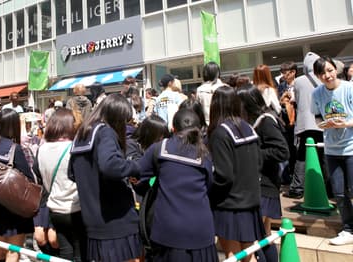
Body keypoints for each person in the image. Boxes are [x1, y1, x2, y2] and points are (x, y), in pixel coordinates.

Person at [69, 94, 142, 261]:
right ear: (117, 116)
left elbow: (71, 173)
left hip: (92, 219)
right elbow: (110, 166)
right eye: (124, 120)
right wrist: (135, 168)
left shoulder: (82, 133)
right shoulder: (105, 131)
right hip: (116, 219)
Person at [138, 109, 218, 261]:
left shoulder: (160, 148)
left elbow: (138, 174)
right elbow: (209, 186)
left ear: (173, 129)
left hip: (168, 233)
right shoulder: (204, 154)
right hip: (202, 232)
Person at [208, 85, 264, 262]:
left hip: (229, 204)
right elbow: (259, 162)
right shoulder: (248, 127)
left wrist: (210, 192)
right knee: (249, 255)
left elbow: (224, 175)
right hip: (251, 200)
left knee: (232, 255)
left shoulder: (220, 133)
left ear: (215, 106)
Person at [237, 84, 290, 262]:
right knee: (264, 234)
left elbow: (282, 151)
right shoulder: (257, 120)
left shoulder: (265, 121)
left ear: (247, 104)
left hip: (265, 184)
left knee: (255, 234)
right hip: (263, 183)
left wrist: (255, 154)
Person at [0, 108, 35, 262]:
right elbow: (29, 178)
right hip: (15, 208)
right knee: (13, 251)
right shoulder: (14, 149)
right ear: (14, 126)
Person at [311, 56, 353, 245]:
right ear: (318, 76)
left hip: (351, 148)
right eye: (322, 73)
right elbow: (318, 118)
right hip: (331, 150)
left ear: (335, 69)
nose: (327, 75)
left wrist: (345, 123)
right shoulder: (317, 93)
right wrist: (324, 125)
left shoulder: (349, 88)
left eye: (329, 70)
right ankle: (348, 229)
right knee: (339, 193)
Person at [35, 108, 86, 261]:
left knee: (65, 251)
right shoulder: (74, 148)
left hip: (55, 209)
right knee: (79, 251)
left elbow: (38, 175)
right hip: (76, 207)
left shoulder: (42, 149)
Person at [284, 52, 326, 199]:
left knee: (302, 156)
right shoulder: (323, 79)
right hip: (321, 123)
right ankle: (328, 187)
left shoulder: (299, 81)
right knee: (323, 156)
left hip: (304, 124)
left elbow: (296, 99)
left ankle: (297, 188)